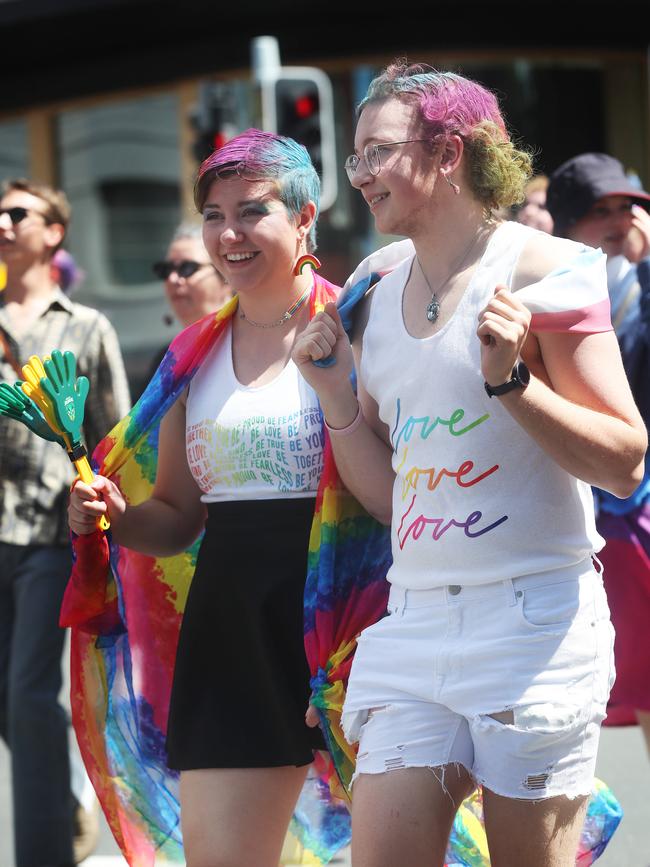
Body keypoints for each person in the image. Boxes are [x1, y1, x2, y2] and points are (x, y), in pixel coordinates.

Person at [293, 63, 647, 867]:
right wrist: (336, 397)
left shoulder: (546, 268)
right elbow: (392, 499)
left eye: (376, 152)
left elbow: (625, 460)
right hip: (414, 621)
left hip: (535, 625)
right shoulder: (374, 285)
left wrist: (513, 384)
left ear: (448, 152)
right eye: (354, 158)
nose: (361, 176)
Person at [67, 130, 344, 867]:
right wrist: (117, 521)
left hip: (351, 624)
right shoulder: (192, 355)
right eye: (214, 214)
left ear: (305, 216)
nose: (228, 234)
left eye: (251, 211)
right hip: (231, 631)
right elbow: (178, 517)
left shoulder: (361, 326)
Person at [0, 178, 131, 867]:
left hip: (51, 532)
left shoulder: (84, 325)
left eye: (17, 212)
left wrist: (113, 522)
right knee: (12, 701)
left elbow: (116, 432)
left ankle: (41, 855)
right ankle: (67, 801)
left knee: (27, 691)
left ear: (54, 232)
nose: (2, 221)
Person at [546, 153, 650, 750]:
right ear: (565, 225)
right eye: (599, 211)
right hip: (583, 520)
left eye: (628, 206)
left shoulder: (643, 280)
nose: (620, 221)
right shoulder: (550, 291)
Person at [145, 222, 231, 383]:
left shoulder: (246, 348)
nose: (172, 279)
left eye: (187, 268)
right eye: (166, 269)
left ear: (226, 278)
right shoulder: (165, 361)